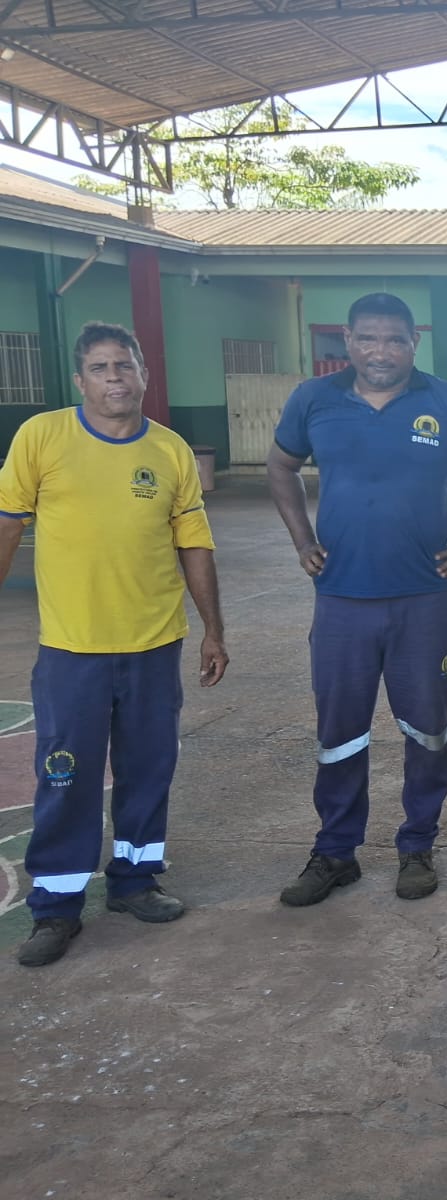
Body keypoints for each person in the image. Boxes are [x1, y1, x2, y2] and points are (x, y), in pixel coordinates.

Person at [0, 322, 228, 967]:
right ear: (80, 380)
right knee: (66, 774)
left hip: (155, 644)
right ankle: (56, 905)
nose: (114, 379)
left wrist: (213, 628)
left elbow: (194, 544)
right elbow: (8, 524)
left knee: (148, 767)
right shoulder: (42, 437)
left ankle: (134, 879)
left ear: (144, 376)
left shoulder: (171, 451)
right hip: (73, 648)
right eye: (100, 368)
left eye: (124, 367)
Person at [267, 293, 447, 907]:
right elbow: (280, 465)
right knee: (339, 732)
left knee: (428, 731)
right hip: (342, 599)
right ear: (346, 340)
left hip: (423, 600)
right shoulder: (313, 400)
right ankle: (335, 851)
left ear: (413, 343)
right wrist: (302, 540)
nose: (380, 351)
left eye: (394, 339)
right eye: (368, 338)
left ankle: (417, 844)